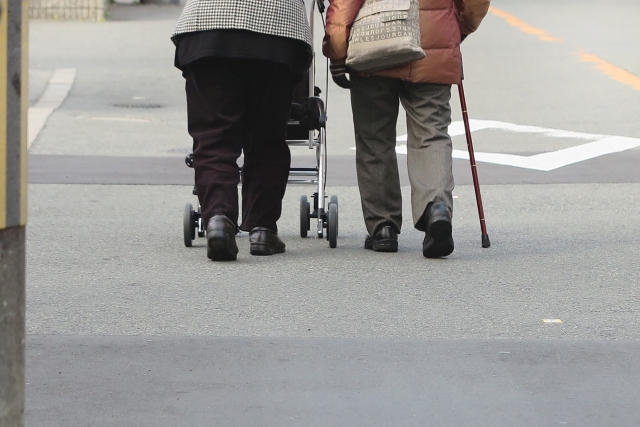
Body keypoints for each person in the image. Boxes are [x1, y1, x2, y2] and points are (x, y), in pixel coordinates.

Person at [323, 0, 489, 257]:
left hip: (374, 40)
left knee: (373, 137)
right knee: (432, 131)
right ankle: (436, 208)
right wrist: (461, 26)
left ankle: (383, 227)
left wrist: (336, 47)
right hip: (432, 38)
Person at [172, 0, 312, 261]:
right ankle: (262, 230)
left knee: (214, 136)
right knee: (267, 137)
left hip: (208, 27)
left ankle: (218, 220)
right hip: (277, 32)